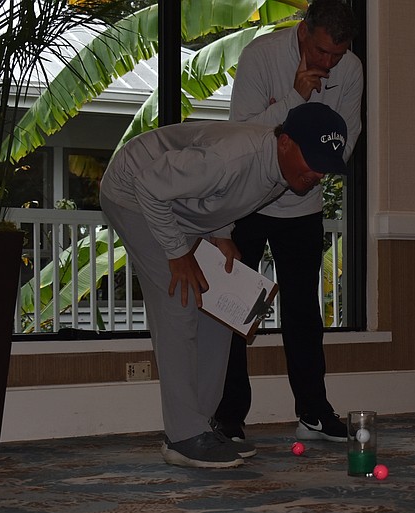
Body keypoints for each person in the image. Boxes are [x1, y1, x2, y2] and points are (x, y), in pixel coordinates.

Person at [99, 103, 348, 468]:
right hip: (133, 193)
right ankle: (183, 436)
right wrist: (177, 253)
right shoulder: (230, 158)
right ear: (285, 143)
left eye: (326, 166)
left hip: (176, 205)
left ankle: (201, 427)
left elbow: (221, 197)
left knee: (219, 310)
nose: (318, 174)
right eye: (313, 160)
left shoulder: (282, 172)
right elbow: (150, 185)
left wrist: (222, 234)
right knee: (181, 301)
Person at [213, 0, 363, 443]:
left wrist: (309, 163)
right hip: (250, 202)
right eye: (321, 52)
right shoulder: (260, 56)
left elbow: (346, 137)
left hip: (303, 204)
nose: (329, 63)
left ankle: (313, 413)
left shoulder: (351, 68)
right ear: (303, 31)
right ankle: (229, 416)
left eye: (337, 54)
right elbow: (242, 135)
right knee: (234, 311)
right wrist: (294, 101)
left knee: (304, 314)